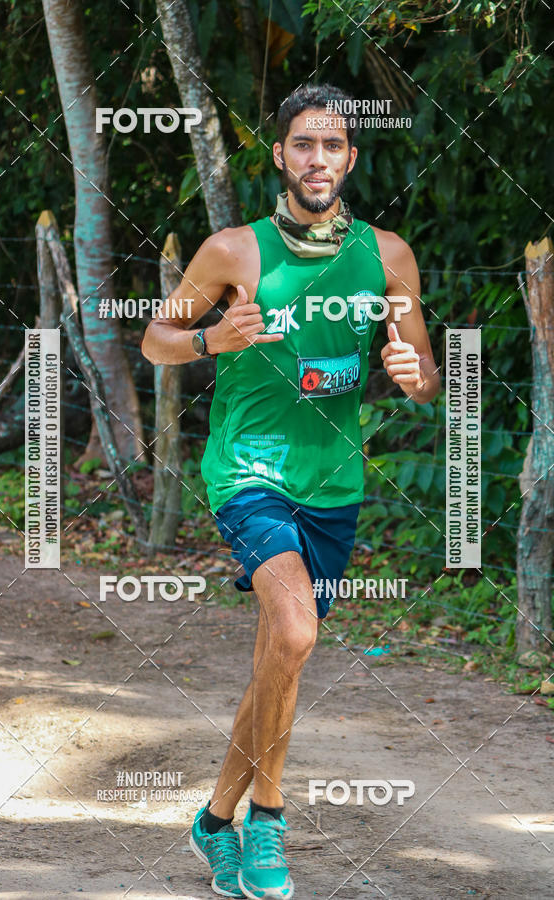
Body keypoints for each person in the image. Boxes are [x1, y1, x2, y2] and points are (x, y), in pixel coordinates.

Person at [141, 82, 440, 900]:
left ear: (350, 157)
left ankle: (213, 822)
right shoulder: (233, 251)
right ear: (279, 155)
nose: (318, 159)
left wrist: (416, 377)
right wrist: (209, 336)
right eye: (303, 145)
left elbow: (424, 373)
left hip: (334, 480)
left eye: (333, 146)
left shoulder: (390, 255)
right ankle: (268, 822)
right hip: (249, 469)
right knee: (299, 634)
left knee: (281, 654)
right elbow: (155, 339)